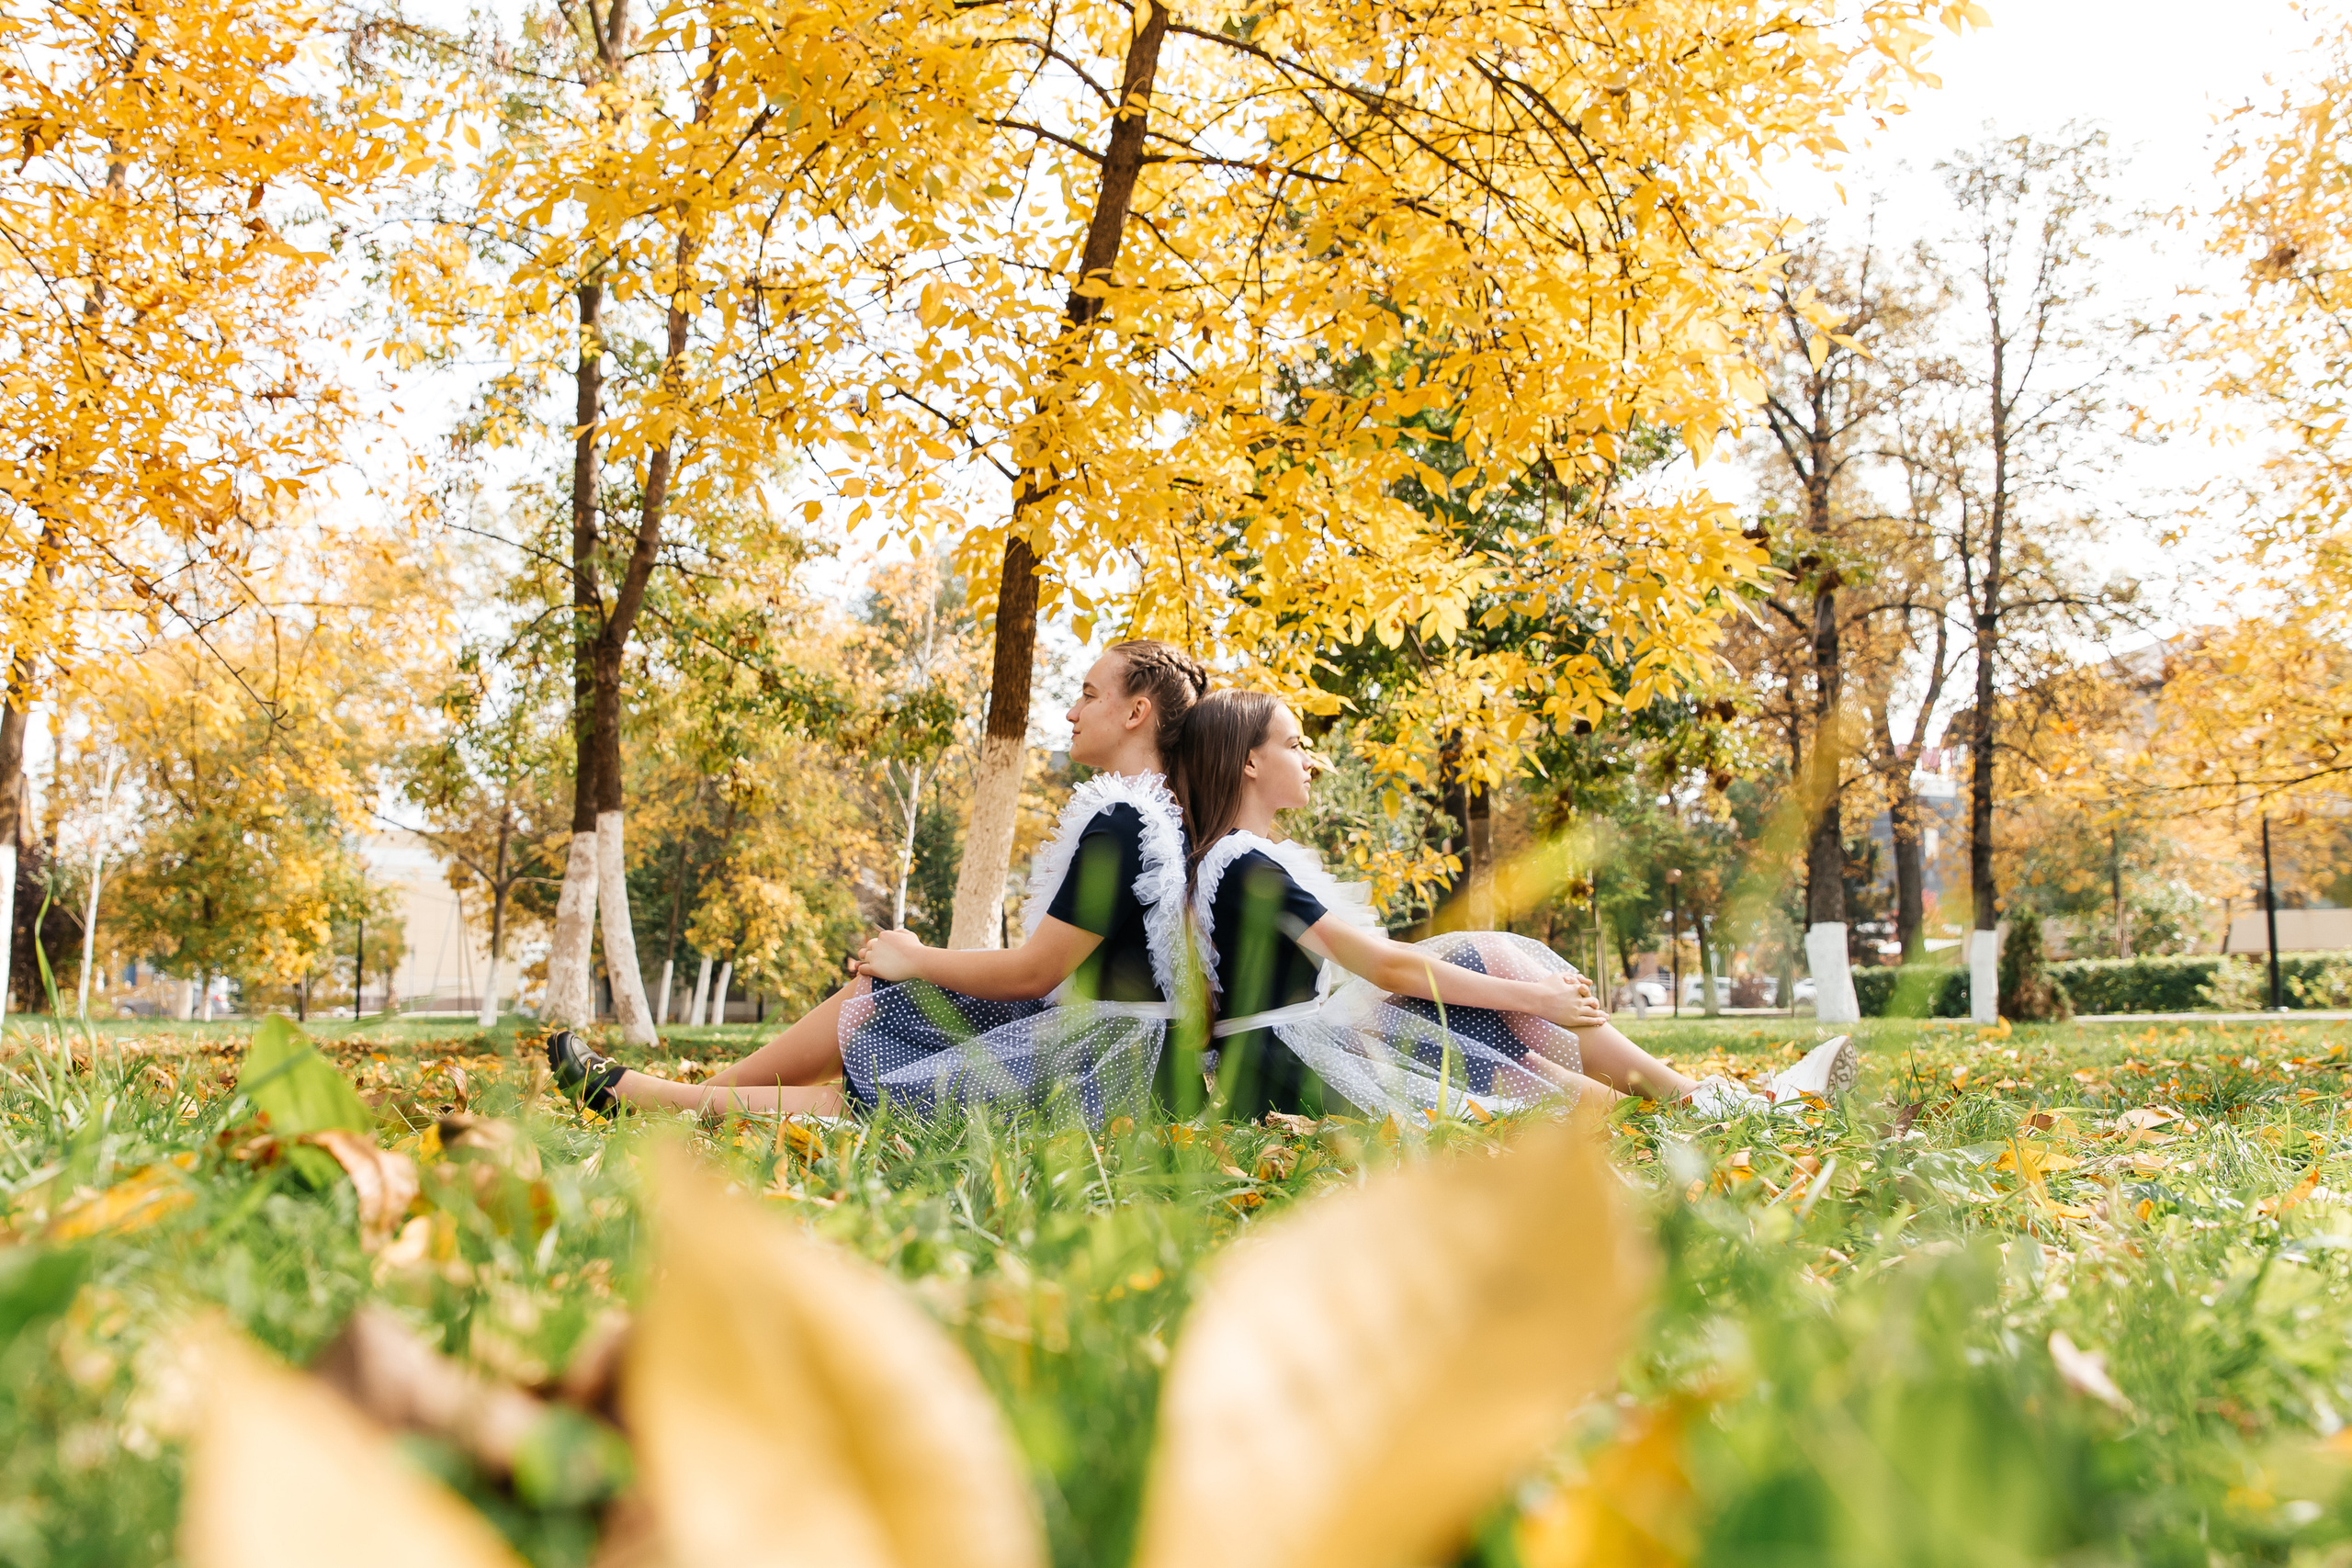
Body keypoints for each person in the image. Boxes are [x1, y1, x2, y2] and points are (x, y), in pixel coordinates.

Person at [548, 639, 1207, 1123]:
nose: (1071, 712)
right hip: (1100, 1044)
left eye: (1089, 695)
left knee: (884, 1090)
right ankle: (685, 1099)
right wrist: (905, 965)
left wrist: (917, 956)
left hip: (1098, 1063)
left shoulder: (1124, 822)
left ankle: (660, 1101)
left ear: (1135, 713)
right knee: (880, 989)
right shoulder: (1152, 820)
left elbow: (1036, 972)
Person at [1173, 688, 1855, 1122]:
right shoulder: (1243, 864)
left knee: (1508, 1011)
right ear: (1250, 763)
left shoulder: (1233, 860)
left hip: (1282, 1054)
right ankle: (1737, 1104)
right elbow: (1389, 968)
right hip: (1295, 1064)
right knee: (1502, 1002)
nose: (1310, 759)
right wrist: (1538, 1001)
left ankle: (1723, 1102)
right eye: (1294, 744)